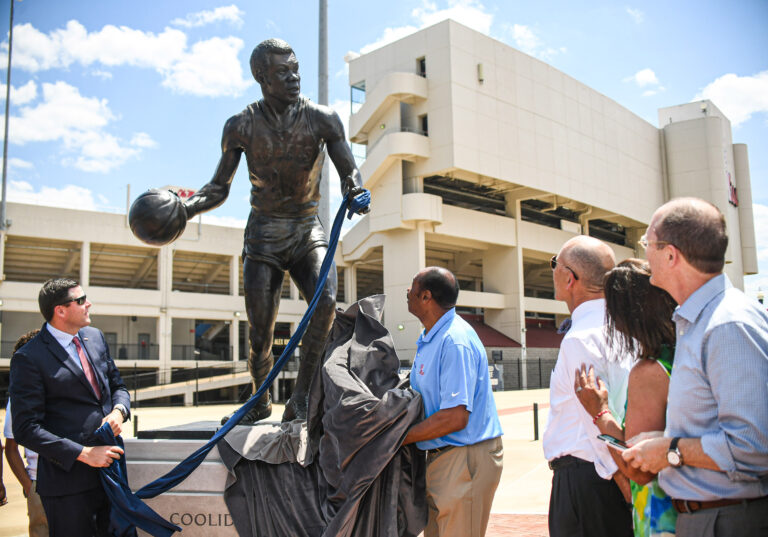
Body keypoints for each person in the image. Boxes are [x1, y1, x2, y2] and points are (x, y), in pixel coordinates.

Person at [182, 38, 368, 423]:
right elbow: (219, 187)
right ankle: (260, 399)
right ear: (262, 78)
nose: (294, 77)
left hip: (304, 228)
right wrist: (187, 208)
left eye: (295, 68)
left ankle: (300, 396)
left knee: (327, 301)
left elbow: (348, 167)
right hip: (264, 234)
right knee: (260, 331)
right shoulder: (241, 126)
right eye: (283, 72)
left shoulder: (322, 118)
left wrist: (355, 187)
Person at [622, 198, 768, 536]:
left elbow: (754, 447)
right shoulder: (700, 320)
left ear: (671, 255)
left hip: (728, 520)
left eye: (647, 244)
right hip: (711, 517)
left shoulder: (726, 326)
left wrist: (669, 451)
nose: (645, 256)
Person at [9, 279, 131, 537]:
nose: (88, 304)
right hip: (67, 486)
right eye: (80, 300)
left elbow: (118, 386)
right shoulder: (29, 358)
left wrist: (119, 410)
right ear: (60, 310)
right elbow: (25, 429)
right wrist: (84, 453)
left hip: (111, 476)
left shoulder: (95, 338)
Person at [574, 259, 678, 536]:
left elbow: (640, 468)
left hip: (662, 516)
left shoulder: (649, 372)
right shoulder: (683, 355)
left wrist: (600, 412)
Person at [543, 235, 633, 537]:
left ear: (569, 278)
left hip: (590, 480)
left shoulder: (580, 338)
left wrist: (626, 488)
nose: (552, 271)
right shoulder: (624, 329)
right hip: (615, 472)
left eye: (555, 264)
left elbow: (596, 422)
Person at [402, 266, 503, 537]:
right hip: (440, 459)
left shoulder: (454, 341)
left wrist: (398, 437)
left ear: (426, 297)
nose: (407, 294)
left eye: (411, 289)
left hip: (463, 459)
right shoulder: (430, 337)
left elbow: (455, 416)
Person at [4, 329, 48, 536]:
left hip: (73, 477)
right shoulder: (18, 397)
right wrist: (29, 487)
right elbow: (10, 448)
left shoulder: (65, 388)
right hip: (38, 480)